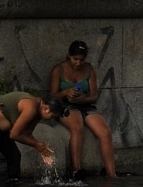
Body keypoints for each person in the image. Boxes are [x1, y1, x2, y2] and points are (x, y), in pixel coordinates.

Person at [49, 40, 118, 179]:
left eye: (81, 60)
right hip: (66, 105)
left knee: (105, 132)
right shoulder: (58, 69)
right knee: (77, 127)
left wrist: (82, 99)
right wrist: (65, 93)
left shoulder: (89, 69)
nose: (78, 63)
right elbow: (52, 97)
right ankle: (76, 170)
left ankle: (111, 173)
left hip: (85, 104)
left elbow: (94, 96)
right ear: (69, 55)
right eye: (75, 59)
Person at [0, 89, 59, 184]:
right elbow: (14, 134)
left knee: (14, 156)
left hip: (1, 128)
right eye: (52, 116)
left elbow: (26, 133)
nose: (51, 120)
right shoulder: (31, 107)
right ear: (46, 109)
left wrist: (41, 147)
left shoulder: (37, 111)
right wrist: (37, 145)